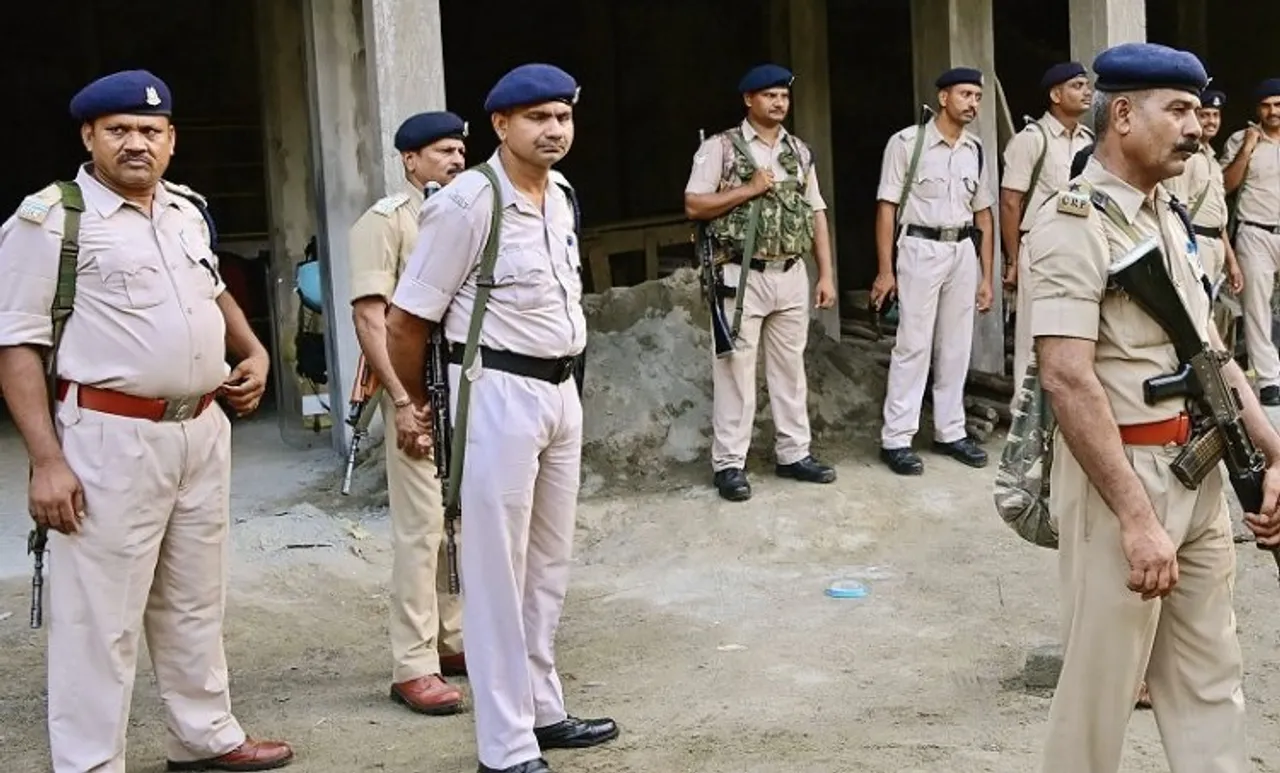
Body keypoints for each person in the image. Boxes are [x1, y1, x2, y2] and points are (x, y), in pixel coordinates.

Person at [0, 70, 294, 772]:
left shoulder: (185, 209)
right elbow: (18, 345)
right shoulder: (52, 220)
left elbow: (214, 287)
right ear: (88, 136)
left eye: (151, 131)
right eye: (120, 130)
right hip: (108, 435)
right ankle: (90, 762)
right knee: (98, 617)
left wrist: (251, 347)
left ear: (171, 140)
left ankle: (203, 733)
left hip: (200, 429)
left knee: (195, 596)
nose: (137, 143)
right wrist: (46, 459)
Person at [1025, 43, 1280, 773]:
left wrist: (1269, 446)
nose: (1197, 126)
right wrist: (1137, 519)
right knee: (1100, 692)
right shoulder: (1073, 221)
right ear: (1125, 114)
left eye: (1198, 111)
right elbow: (1067, 377)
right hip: (1122, 479)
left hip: (1195, 471)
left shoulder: (1167, 215)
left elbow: (1212, 353)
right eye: (1178, 110)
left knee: (1209, 677)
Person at [384, 63, 618, 773]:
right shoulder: (467, 201)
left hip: (559, 390)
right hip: (494, 391)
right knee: (495, 570)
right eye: (537, 118)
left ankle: (543, 709)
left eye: (563, 117)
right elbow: (407, 318)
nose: (553, 130)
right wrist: (419, 405)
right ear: (500, 125)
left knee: (547, 563)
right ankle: (505, 744)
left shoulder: (562, 195)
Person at [348, 110, 469, 715]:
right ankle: (413, 665)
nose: (454, 160)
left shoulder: (468, 213)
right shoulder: (386, 222)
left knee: (459, 525)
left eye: (459, 151)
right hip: (415, 389)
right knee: (421, 529)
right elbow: (371, 318)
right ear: (410, 160)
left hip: (464, 389)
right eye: (442, 151)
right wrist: (400, 401)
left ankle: (452, 641)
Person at [683, 63, 837, 502]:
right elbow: (694, 204)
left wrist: (824, 273)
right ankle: (730, 464)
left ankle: (794, 454)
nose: (779, 103)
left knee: (791, 369)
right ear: (748, 100)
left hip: (789, 272)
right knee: (735, 370)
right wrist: (748, 189)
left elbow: (816, 213)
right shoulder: (721, 148)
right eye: (769, 95)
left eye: (784, 96)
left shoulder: (799, 152)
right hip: (739, 274)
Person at [871, 66, 996, 476]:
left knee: (956, 345)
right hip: (919, 246)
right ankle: (898, 437)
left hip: (961, 248)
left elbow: (984, 215)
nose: (972, 103)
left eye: (977, 96)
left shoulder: (975, 148)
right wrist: (885, 271)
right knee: (913, 344)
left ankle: (950, 431)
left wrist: (985, 274)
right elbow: (887, 208)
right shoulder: (907, 143)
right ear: (943, 98)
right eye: (965, 95)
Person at [1000, 61, 1094, 388]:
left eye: (1087, 85)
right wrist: (1012, 259)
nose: (1087, 92)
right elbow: (1011, 202)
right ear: (1056, 94)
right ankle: (1025, 424)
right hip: (1040, 247)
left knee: (1077, 334)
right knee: (1032, 336)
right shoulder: (1031, 140)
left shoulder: (1089, 142)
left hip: (1081, 248)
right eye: (1077, 86)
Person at [1166, 88, 1244, 348]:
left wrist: (1231, 261)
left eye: (1216, 115)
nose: (1211, 121)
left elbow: (1219, 216)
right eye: (1205, 115)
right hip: (1195, 241)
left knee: (1207, 312)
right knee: (1195, 314)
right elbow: (1177, 209)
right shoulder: (1186, 157)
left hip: (1215, 245)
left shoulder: (1211, 158)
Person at [1221, 77, 1280, 405]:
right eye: (1266, 105)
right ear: (1258, 109)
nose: (1272, 111)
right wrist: (1247, 148)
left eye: (1278, 104)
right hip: (1254, 231)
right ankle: (1270, 380)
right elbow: (1225, 186)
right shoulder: (1241, 139)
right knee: (1256, 307)